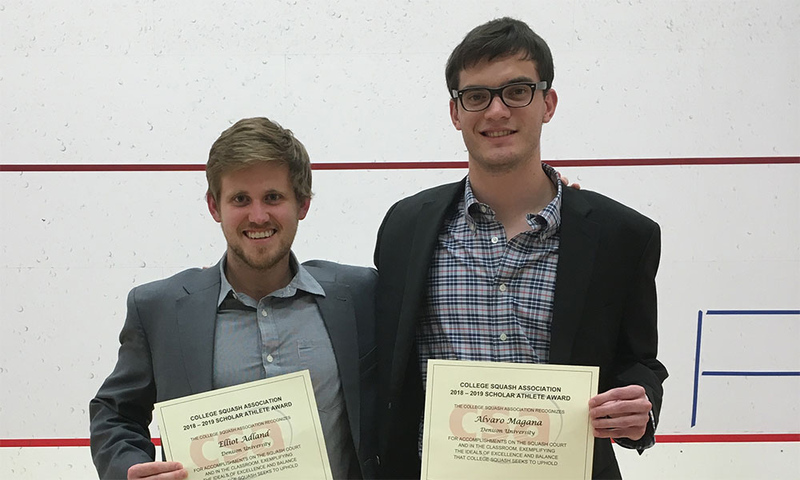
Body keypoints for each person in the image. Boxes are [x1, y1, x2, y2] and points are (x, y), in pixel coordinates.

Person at [373, 17, 668, 479]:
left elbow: (639, 361)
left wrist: (637, 406)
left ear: (547, 103)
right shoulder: (404, 227)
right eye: (476, 96)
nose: (495, 111)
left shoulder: (622, 236)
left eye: (517, 91)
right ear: (455, 113)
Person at [90, 117, 378, 480]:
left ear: (302, 205)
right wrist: (129, 468)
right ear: (214, 207)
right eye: (240, 199)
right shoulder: (158, 309)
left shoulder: (359, 294)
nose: (258, 216)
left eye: (273, 197)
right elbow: (114, 413)